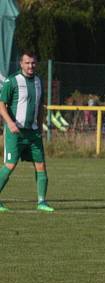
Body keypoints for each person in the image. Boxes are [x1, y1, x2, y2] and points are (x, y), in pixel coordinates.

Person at [0, 50, 53, 212]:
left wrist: (40, 125)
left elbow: (41, 106)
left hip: (33, 132)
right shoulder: (12, 81)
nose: (31, 66)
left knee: (41, 165)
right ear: (21, 64)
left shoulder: (38, 81)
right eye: (27, 62)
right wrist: (10, 123)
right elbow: (1, 104)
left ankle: (42, 202)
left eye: (33, 63)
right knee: (10, 165)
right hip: (15, 132)